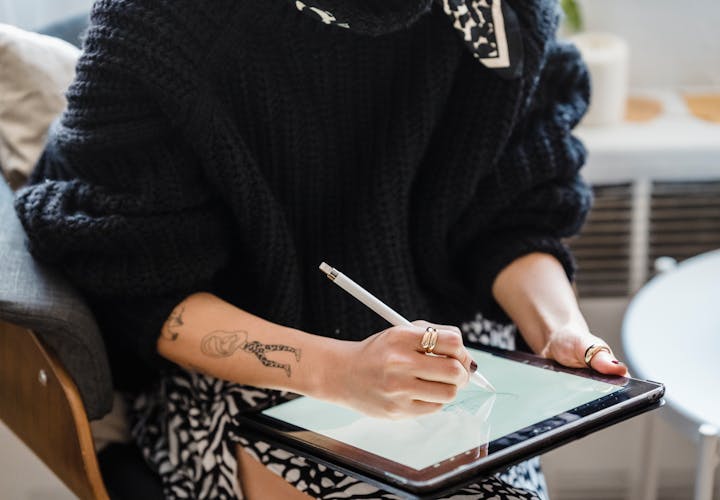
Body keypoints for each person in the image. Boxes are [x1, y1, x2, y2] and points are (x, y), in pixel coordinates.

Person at [15, 0, 628, 498]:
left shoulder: (501, 16)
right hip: (253, 364)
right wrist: (340, 371)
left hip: (453, 352)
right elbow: (138, 284)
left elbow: (514, 217)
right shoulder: (164, 23)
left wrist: (558, 331)